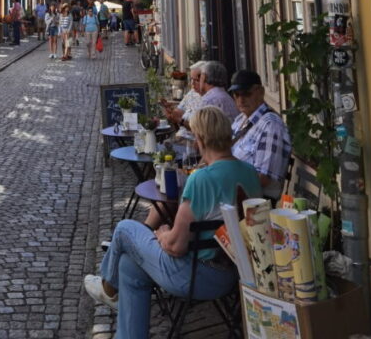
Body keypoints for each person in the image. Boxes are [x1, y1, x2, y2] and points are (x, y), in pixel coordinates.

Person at [83, 106, 261, 338]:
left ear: (200, 139)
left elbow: (176, 247)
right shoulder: (249, 172)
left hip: (194, 275)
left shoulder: (201, 179)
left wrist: (161, 234)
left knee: (125, 229)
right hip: (235, 274)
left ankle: (108, 288)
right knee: (129, 266)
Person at [228, 69, 292, 201]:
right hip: (236, 196)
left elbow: (264, 178)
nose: (241, 99)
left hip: (254, 202)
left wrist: (223, 184)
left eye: (246, 94)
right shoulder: (241, 119)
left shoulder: (270, 125)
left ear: (261, 92)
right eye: (236, 94)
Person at [167, 60, 237, 127]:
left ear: (204, 77)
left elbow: (198, 129)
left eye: (198, 78)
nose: (193, 83)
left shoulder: (209, 100)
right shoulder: (225, 96)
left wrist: (180, 120)